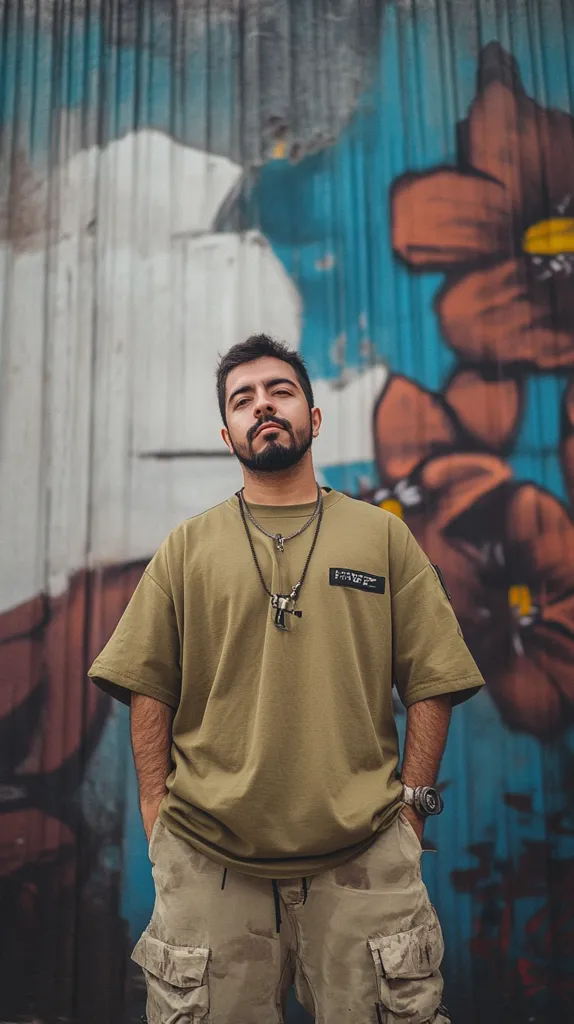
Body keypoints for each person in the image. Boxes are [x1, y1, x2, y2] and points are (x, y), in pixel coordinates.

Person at [89, 334, 484, 1024]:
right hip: (210, 862)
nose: (262, 406)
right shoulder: (189, 547)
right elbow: (146, 679)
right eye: (243, 399)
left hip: (363, 860)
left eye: (280, 391)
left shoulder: (382, 538)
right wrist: (157, 813)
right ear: (227, 432)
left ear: (314, 416)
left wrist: (413, 806)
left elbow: (435, 674)